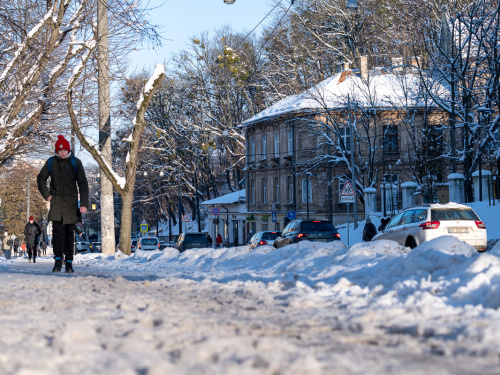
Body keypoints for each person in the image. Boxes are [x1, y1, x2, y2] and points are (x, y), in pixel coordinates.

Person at [37, 135, 89, 273]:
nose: (63, 153)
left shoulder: (75, 162)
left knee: (69, 234)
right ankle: (58, 261)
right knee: (58, 234)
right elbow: (41, 178)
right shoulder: (51, 162)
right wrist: (47, 195)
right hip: (56, 204)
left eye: (65, 150)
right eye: (60, 150)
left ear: (68, 150)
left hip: (71, 204)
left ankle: (69, 263)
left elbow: (83, 183)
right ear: (56, 151)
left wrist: (83, 203)